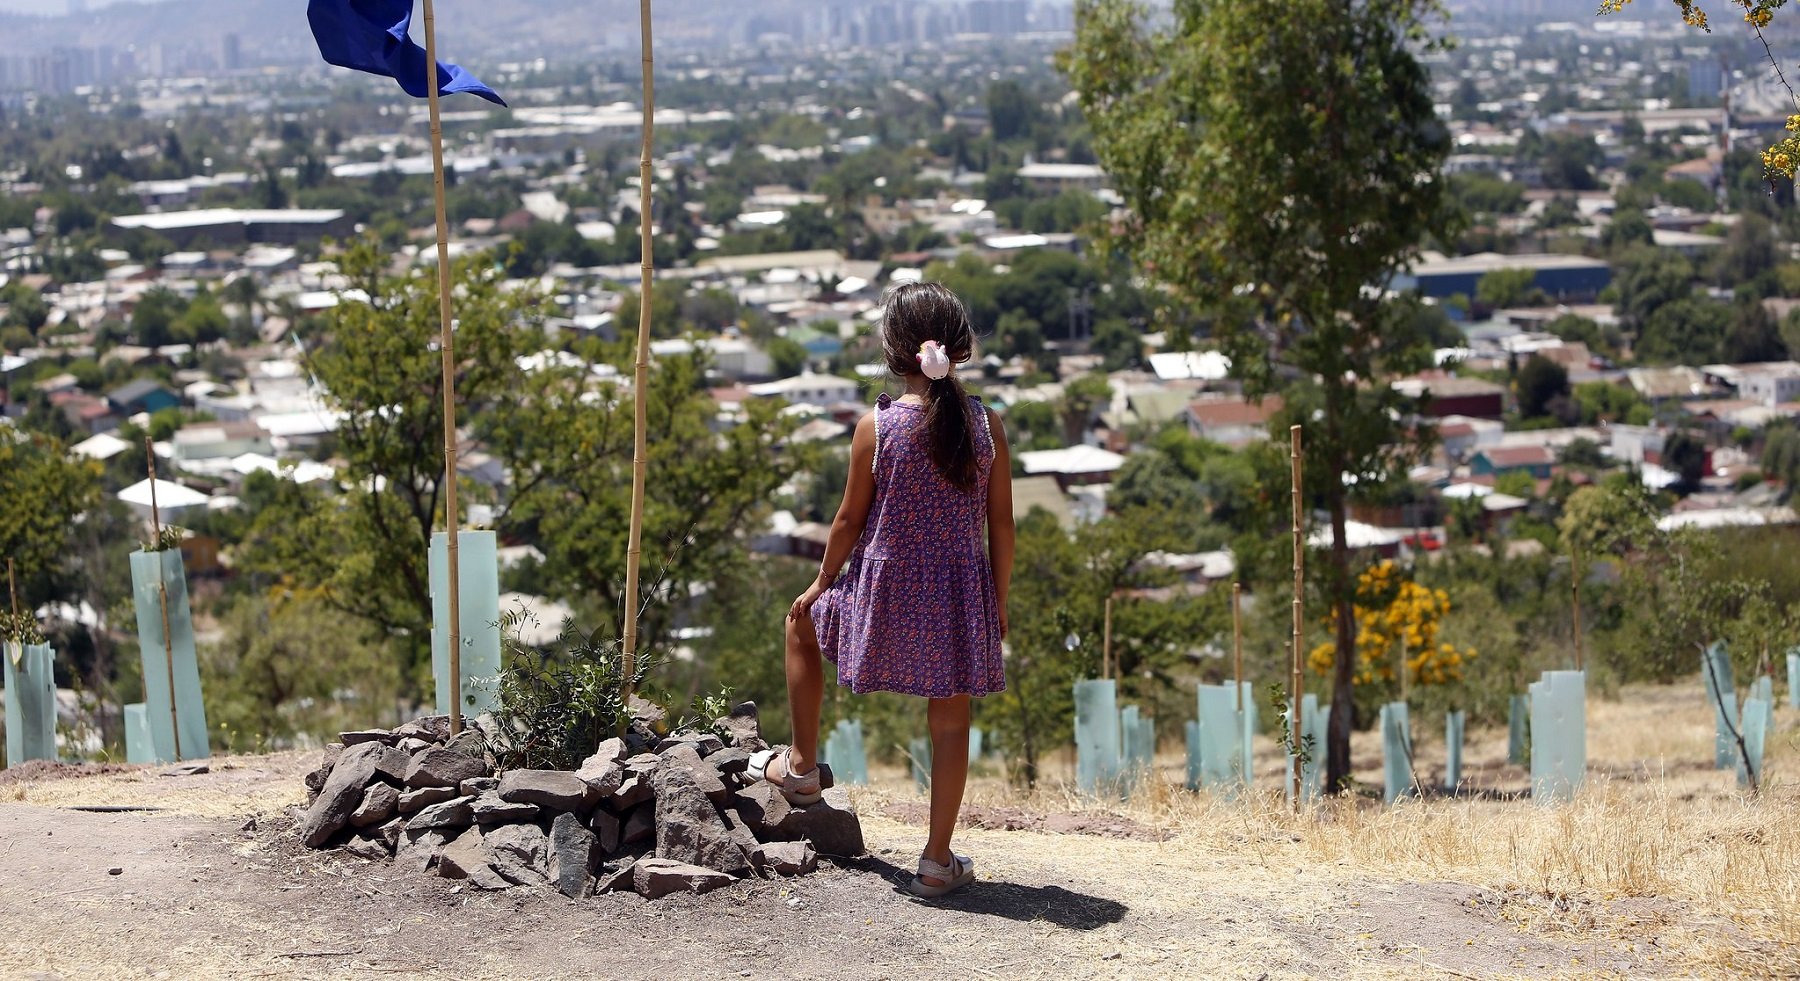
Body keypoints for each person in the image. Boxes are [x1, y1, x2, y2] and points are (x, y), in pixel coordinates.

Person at [747, 281, 1014, 899]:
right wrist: (996, 602)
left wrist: (820, 583)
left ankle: (803, 769)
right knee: (950, 724)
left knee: (801, 623)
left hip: (883, 597)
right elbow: (1001, 524)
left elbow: (846, 521)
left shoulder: (879, 426)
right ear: (961, 348)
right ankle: (938, 861)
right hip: (955, 599)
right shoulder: (986, 424)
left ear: (894, 352)